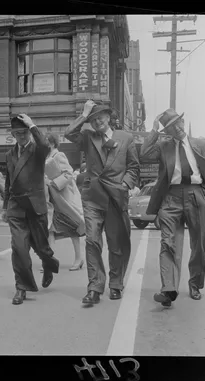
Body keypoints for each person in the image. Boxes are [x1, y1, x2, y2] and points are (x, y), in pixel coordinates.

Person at [64, 100, 140, 304]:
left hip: (117, 196)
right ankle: (95, 287)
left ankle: (116, 284)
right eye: (93, 119)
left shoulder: (126, 138)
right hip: (93, 197)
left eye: (100, 117)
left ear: (109, 117)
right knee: (92, 241)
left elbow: (133, 167)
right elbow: (69, 133)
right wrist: (83, 114)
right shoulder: (88, 137)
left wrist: (125, 184)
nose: (97, 121)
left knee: (117, 244)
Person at [140, 109, 205, 307]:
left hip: (196, 194)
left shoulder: (202, 145)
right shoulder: (164, 146)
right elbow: (144, 153)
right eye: (172, 126)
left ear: (183, 121)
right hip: (170, 197)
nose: (178, 128)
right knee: (167, 242)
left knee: (199, 243)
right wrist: (153, 130)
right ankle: (169, 289)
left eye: (179, 123)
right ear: (168, 131)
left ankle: (195, 283)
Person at [2, 113, 60, 305]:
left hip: (35, 207)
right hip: (16, 208)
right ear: (12, 134)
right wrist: (5, 206)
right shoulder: (9, 155)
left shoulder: (37, 149)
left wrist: (33, 125)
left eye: (24, 132)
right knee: (19, 249)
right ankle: (21, 287)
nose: (22, 136)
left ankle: (49, 264)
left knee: (43, 248)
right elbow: (9, 181)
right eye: (17, 133)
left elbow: (45, 145)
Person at [43, 132, 85, 271]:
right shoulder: (46, 157)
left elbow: (68, 173)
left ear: (52, 143)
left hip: (63, 198)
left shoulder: (58, 155)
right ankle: (50, 261)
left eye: (45, 141)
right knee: (50, 230)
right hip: (51, 199)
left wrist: (52, 183)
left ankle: (78, 258)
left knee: (72, 228)